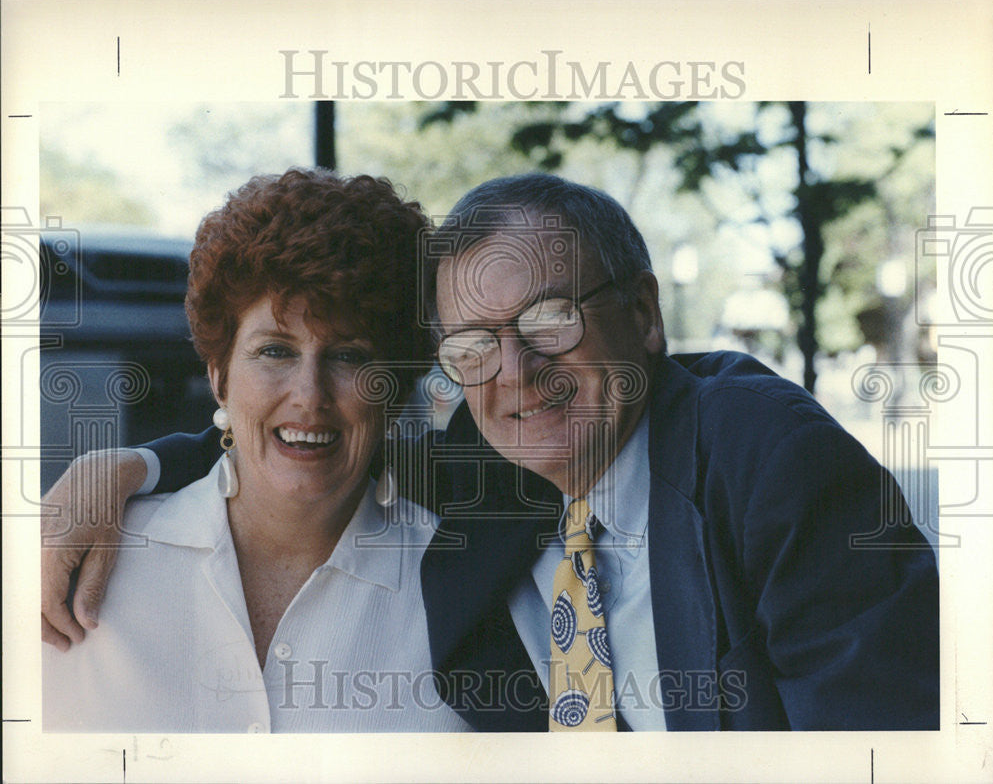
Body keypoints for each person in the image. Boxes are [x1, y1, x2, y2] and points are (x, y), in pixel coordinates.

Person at [42, 174, 939, 732]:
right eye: (473, 341)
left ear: (646, 313)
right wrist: (124, 466)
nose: (516, 371)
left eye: (551, 316)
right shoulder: (486, 470)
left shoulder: (765, 465)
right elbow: (294, 436)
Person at [41, 169, 470, 732]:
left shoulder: (467, 584)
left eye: (350, 356)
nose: (309, 396)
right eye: (275, 351)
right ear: (219, 376)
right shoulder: (67, 561)